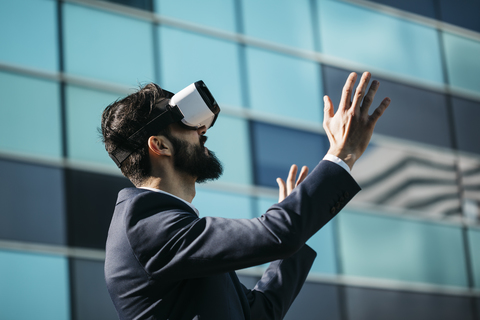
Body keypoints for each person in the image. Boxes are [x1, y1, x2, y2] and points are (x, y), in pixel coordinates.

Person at [101, 72, 390, 320]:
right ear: (160, 145)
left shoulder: (174, 233)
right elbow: (277, 234)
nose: (202, 131)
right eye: (188, 123)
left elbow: (258, 312)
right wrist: (341, 155)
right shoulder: (144, 224)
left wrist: (297, 224)